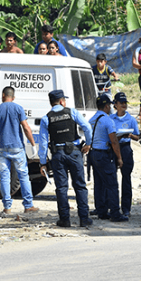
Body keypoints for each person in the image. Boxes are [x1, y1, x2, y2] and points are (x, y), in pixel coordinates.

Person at [38, 90, 93, 227]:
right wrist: (88, 143)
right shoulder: (72, 112)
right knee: (80, 186)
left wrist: (43, 163)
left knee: (61, 187)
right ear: (62, 101)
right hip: (74, 153)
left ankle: (65, 219)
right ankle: (84, 218)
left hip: (58, 154)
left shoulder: (46, 118)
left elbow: (43, 144)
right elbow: (87, 127)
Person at [0, 86, 39, 214]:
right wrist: (32, 144)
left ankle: (7, 207)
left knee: (5, 177)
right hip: (17, 148)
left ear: (3, 95)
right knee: (23, 176)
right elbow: (26, 127)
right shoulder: (18, 108)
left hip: (2, 148)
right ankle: (28, 205)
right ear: (13, 97)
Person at [88, 94, 128, 222]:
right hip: (104, 154)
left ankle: (101, 211)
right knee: (111, 184)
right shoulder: (107, 120)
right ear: (106, 106)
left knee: (99, 183)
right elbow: (114, 141)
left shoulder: (92, 119)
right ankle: (115, 213)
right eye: (110, 105)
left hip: (93, 154)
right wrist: (119, 158)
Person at [110, 92, 140, 218]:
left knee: (126, 179)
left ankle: (126, 208)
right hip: (113, 148)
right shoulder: (111, 118)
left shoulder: (131, 119)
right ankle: (112, 206)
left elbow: (137, 136)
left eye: (125, 103)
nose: (123, 105)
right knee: (111, 179)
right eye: (121, 103)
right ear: (115, 104)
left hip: (126, 148)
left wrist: (130, 135)